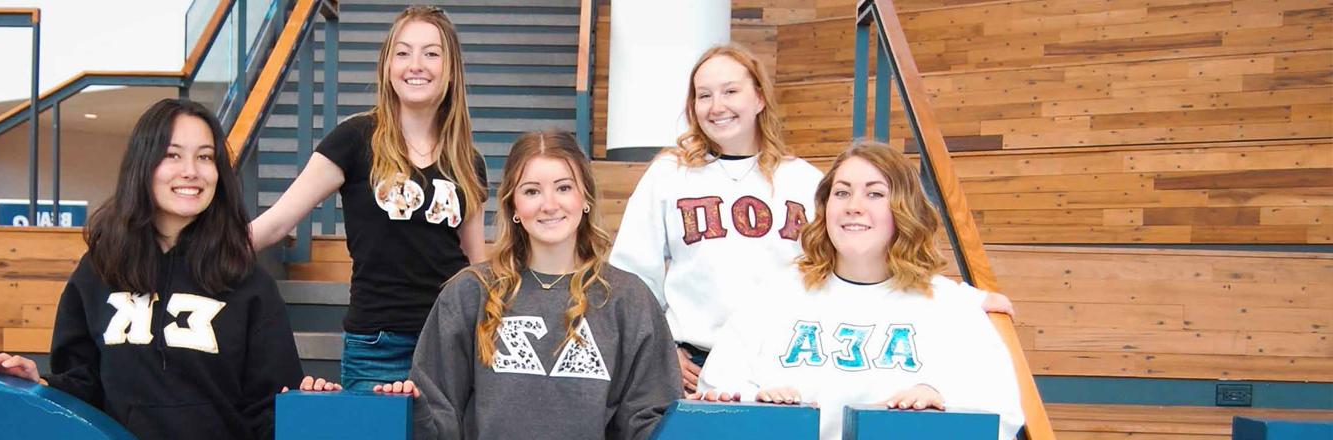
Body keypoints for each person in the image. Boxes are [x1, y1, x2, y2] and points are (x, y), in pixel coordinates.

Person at [610, 44, 1012, 395]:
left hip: (778, 364)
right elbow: (631, 274)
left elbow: (866, 259)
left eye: (731, 91)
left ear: (760, 98)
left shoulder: (802, 179)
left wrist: (964, 298)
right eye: (704, 95)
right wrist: (661, 349)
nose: (717, 106)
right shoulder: (668, 174)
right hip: (690, 366)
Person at [0, 98, 302, 440]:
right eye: (172, 154)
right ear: (144, 164)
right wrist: (39, 382)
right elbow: (83, 386)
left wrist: (313, 400)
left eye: (205, 156)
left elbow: (272, 408)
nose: (191, 171)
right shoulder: (99, 270)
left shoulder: (249, 282)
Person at [299, 131, 681, 439]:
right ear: (514, 206)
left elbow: (649, 421)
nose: (549, 204)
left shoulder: (628, 299)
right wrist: (408, 408)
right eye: (532, 191)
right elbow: (439, 414)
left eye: (563, 187)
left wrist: (711, 412)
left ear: (584, 198)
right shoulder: (469, 292)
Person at [695, 139, 1024, 440]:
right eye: (842, 192)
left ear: (903, 208)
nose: (854, 205)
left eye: (875, 193)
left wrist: (938, 398)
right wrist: (757, 401)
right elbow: (718, 389)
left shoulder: (948, 307)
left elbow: (1003, 416)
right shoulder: (775, 297)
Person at [245, 5, 488, 391]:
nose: (416, 64)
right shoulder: (354, 139)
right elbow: (275, 223)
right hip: (378, 346)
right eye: (403, 52)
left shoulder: (467, 159)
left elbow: (477, 265)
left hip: (450, 340)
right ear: (387, 65)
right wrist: (197, 253)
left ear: (450, 68)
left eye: (431, 52)